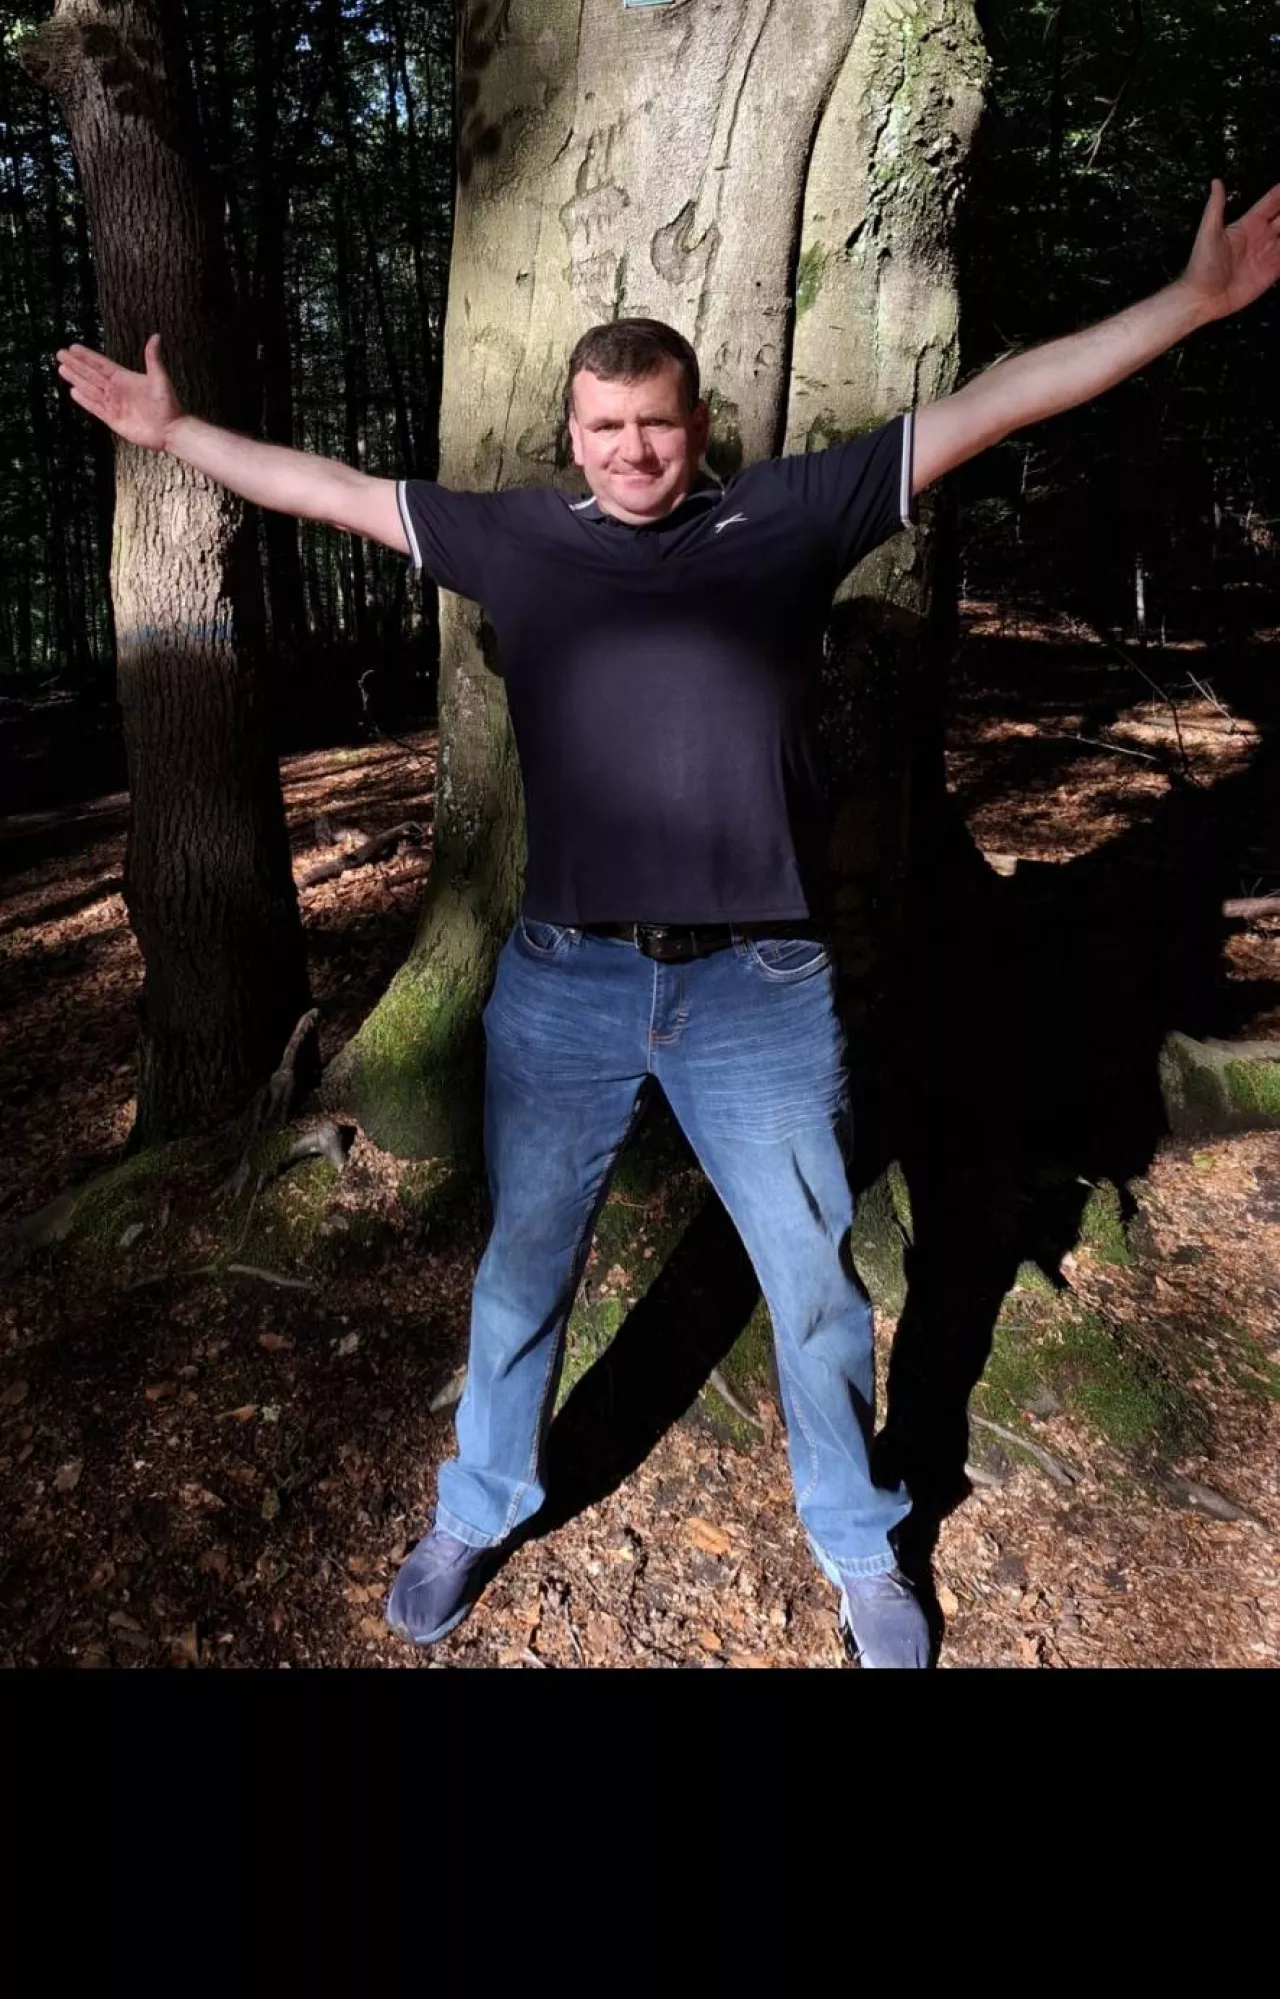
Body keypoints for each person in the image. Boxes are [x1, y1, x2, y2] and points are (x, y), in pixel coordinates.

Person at [57, 177, 1280, 1668]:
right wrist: (177, 433)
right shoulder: (515, 541)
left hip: (759, 987)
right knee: (522, 1270)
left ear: (699, 425)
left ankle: (859, 1542)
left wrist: (1189, 304)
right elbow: (325, 488)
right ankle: (479, 1505)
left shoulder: (788, 515)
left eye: (656, 423)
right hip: (560, 984)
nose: (631, 450)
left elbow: (999, 402)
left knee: (813, 1286)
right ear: (570, 433)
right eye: (604, 426)